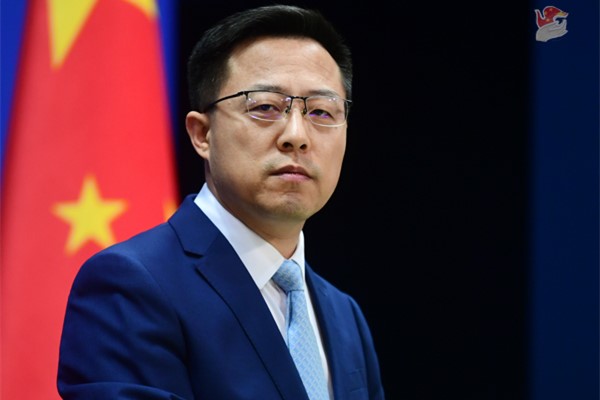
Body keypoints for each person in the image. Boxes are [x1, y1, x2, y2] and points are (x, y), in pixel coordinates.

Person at [57, 4, 385, 399]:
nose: (297, 136)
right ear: (202, 134)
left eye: (321, 111)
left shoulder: (344, 315)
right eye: (265, 107)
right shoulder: (130, 285)